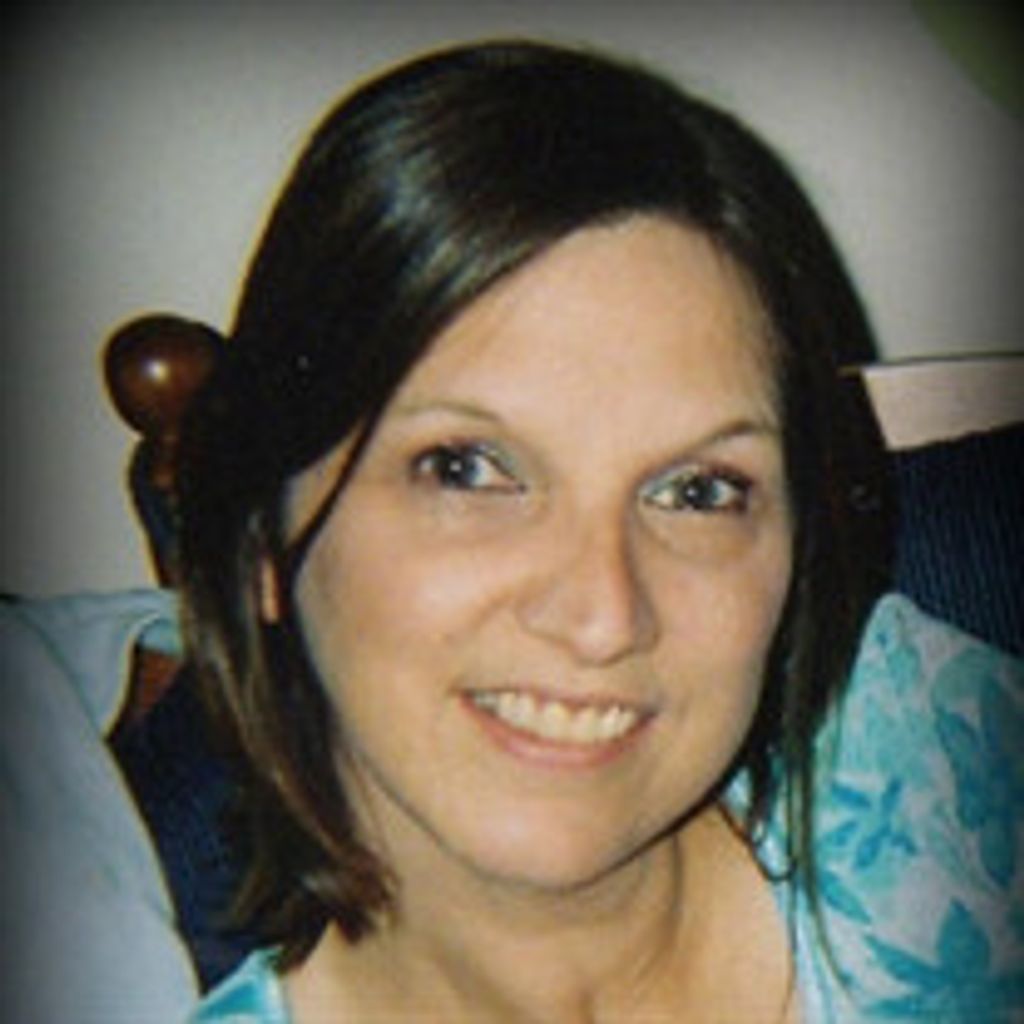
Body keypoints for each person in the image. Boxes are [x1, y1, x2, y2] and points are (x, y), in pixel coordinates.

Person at [178, 40, 1023, 1021]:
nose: (602, 616)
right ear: (263, 543)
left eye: (698, 490)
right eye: (466, 469)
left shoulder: (956, 772)